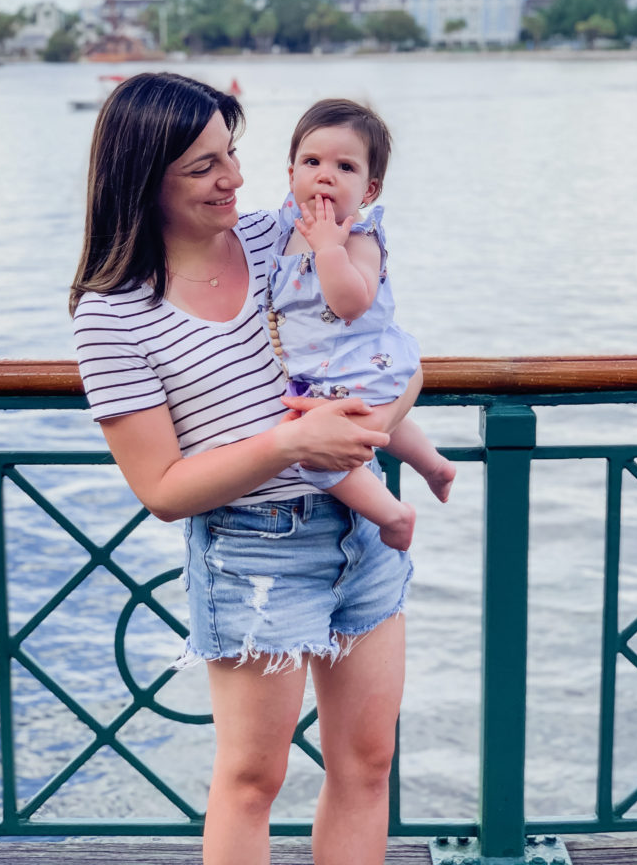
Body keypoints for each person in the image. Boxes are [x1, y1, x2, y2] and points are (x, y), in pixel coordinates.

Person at [71, 72, 430, 865]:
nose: (233, 177)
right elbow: (161, 490)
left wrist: (388, 414)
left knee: (367, 765)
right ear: (141, 177)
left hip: (362, 531)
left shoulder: (283, 236)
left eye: (230, 153)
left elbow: (395, 358)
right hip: (252, 551)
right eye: (202, 167)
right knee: (252, 780)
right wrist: (291, 445)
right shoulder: (113, 313)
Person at [264, 99, 454, 551]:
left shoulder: (359, 238)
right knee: (376, 420)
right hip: (322, 370)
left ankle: (392, 514)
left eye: (344, 167)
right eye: (312, 162)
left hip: (353, 365)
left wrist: (330, 249)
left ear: (369, 191)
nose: (325, 175)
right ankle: (434, 466)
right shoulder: (287, 229)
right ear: (291, 175)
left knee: (313, 456)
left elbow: (352, 303)